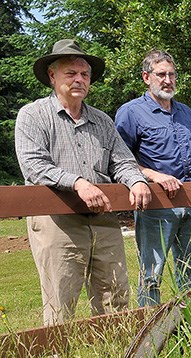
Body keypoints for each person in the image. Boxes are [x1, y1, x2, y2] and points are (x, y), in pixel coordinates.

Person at [15, 39, 151, 326]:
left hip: (103, 220)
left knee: (115, 296)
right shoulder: (33, 115)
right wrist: (78, 182)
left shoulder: (102, 121)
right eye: (71, 73)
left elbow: (123, 162)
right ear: (52, 76)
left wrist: (137, 181)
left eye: (85, 74)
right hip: (57, 219)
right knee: (61, 299)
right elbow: (34, 165)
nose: (79, 79)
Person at [115, 49, 191, 306]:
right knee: (151, 274)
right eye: (161, 74)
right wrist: (154, 175)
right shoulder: (131, 112)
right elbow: (119, 160)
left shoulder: (186, 113)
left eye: (172, 74)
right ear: (146, 77)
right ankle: (153, 335)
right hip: (155, 206)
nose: (168, 80)